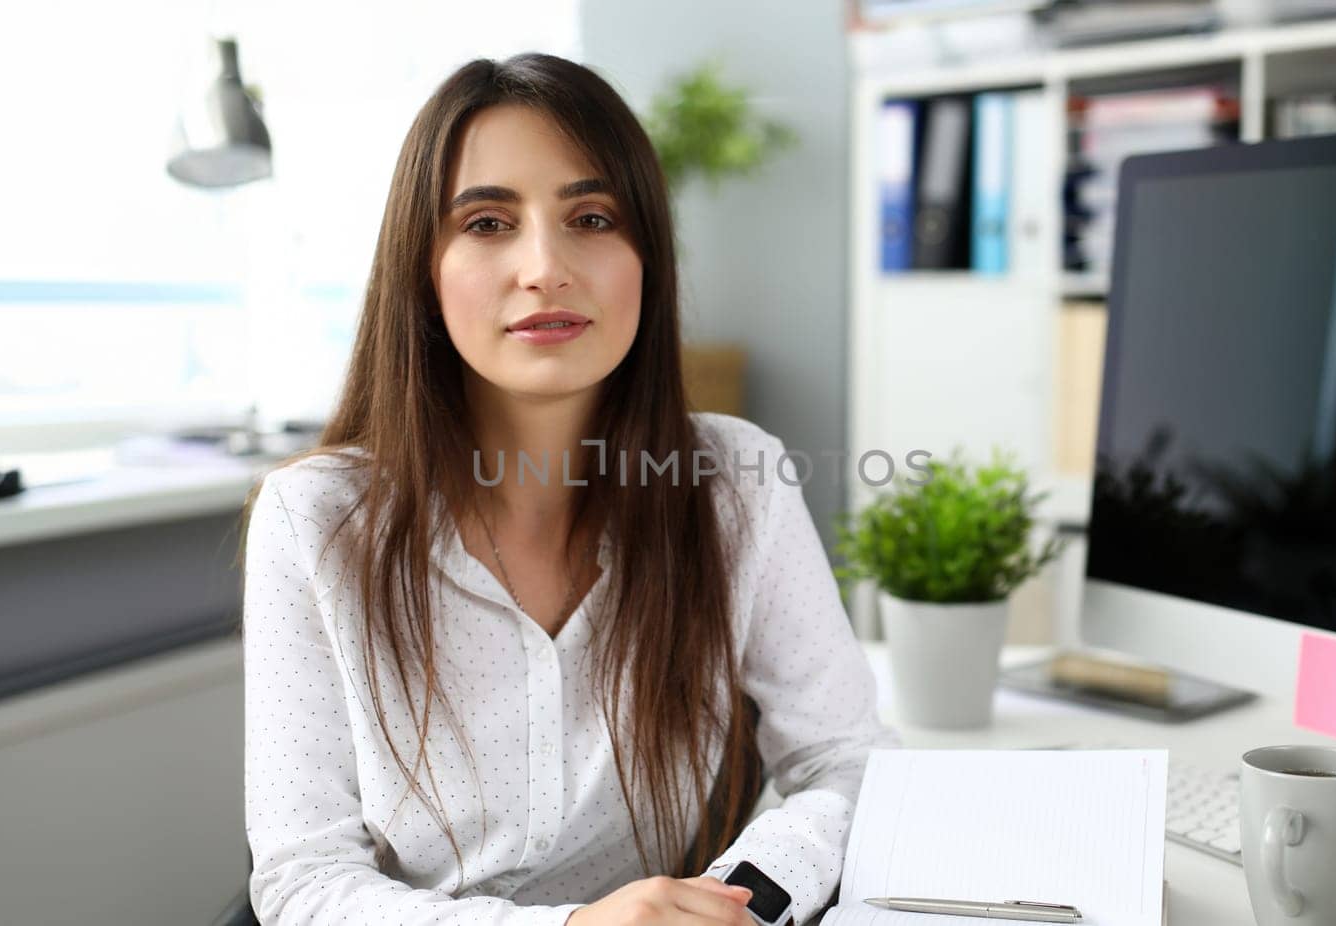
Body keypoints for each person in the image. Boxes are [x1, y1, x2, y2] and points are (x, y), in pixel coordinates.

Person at [240, 52, 898, 926]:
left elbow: (852, 764)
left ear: (647, 260)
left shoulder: (736, 484)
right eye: (486, 223)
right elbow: (301, 879)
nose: (545, 267)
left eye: (591, 217)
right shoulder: (315, 517)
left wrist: (744, 897)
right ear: (423, 271)